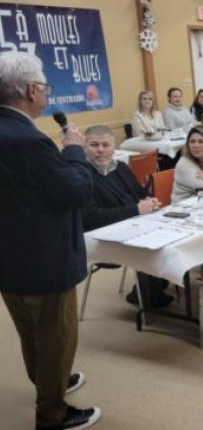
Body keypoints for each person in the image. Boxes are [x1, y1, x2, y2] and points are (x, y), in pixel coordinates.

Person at [0, 51, 100, 429]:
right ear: (30, 90)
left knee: (30, 333)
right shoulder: (30, 142)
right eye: (44, 87)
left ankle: (49, 382)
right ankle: (52, 413)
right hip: (44, 260)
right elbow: (77, 192)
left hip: (8, 258)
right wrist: (74, 150)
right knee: (56, 337)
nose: (44, 94)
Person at [81, 125, 173, 308]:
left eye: (105, 145)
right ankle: (147, 295)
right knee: (151, 246)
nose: (100, 150)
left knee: (169, 236)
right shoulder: (82, 175)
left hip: (133, 222)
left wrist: (148, 200)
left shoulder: (121, 167)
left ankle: (152, 287)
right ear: (84, 147)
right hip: (102, 235)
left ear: (113, 147)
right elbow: (90, 218)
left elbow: (138, 193)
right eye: (94, 145)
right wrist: (137, 210)